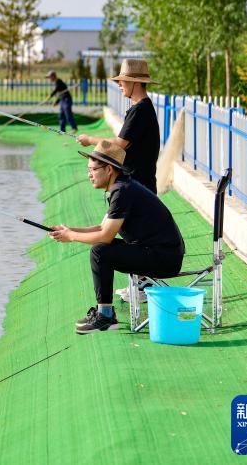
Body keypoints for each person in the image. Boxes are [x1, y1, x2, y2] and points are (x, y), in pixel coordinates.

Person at [49, 140, 185, 334]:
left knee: (100, 251)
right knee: (102, 248)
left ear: (110, 170)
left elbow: (105, 236)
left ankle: (105, 316)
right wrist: (68, 229)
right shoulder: (122, 187)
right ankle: (104, 314)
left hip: (163, 258)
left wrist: (71, 236)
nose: (89, 174)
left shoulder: (122, 191)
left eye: (93, 169)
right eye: (88, 169)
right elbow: (102, 227)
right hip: (159, 253)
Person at [77, 58, 159, 194]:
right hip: (137, 184)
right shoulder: (141, 108)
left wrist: (89, 140)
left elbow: (119, 144)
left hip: (139, 186)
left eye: (123, 80)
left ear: (137, 82)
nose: (119, 84)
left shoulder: (141, 110)